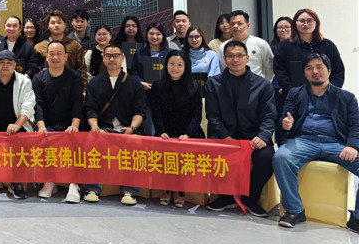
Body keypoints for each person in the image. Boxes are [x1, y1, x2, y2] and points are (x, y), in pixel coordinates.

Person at [272, 53, 359, 231]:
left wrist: (352, 146)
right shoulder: (296, 94)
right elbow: (284, 119)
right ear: (304, 73)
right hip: (304, 141)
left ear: (329, 70)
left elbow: (355, 124)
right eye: (309, 68)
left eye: (319, 67)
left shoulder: (346, 97)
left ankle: (356, 218)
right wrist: (286, 124)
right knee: (281, 157)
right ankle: (294, 210)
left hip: (335, 143)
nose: (315, 71)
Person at [205, 40, 276, 216]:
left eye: (239, 56)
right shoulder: (213, 83)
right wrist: (226, 136)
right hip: (224, 136)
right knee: (211, 153)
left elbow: (269, 116)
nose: (235, 60)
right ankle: (226, 197)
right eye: (230, 56)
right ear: (224, 59)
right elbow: (212, 115)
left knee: (267, 157)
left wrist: (263, 136)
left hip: (253, 137)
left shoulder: (263, 85)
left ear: (247, 58)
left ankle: (250, 198)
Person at [83, 43, 147, 206]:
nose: (112, 59)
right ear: (103, 59)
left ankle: (130, 191)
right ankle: (92, 189)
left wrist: (132, 128)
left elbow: (139, 111)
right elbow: (90, 109)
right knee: (92, 139)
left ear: (122, 58)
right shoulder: (95, 83)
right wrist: (94, 126)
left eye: (116, 56)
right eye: (108, 56)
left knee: (135, 143)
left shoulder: (133, 84)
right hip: (103, 129)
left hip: (127, 130)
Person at [0, 49, 36, 200]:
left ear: (15, 65)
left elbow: (28, 106)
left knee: (21, 143)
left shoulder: (24, 81)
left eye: (9, 63)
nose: (5, 65)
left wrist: (17, 124)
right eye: (2, 62)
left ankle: (16, 181)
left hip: (17, 126)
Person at [150, 50, 204, 208]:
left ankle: (180, 190)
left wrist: (187, 134)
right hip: (165, 132)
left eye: (180, 65)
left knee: (183, 152)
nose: (175, 68)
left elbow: (197, 116)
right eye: (172, 64)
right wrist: (161, 131)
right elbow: (156, 114)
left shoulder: (194, 86)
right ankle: (167, 189)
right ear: (166, 65)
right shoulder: (157, 86)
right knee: (165, 151)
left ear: (186, 67)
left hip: (189, 132)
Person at [32, 41, 84, 203]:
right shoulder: (38, 78)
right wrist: (41, 126)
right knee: (43, 139)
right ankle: (49, 181)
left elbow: (77, 102)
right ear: (47, 57)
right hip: (48, 122)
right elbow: (38, 104)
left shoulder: (75, 77)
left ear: (66, 56)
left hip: (70, 121)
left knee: (75, 139)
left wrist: (75, 125)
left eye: (59, 54)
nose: (55, 57)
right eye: (52, 54)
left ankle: (74, 184)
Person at [273, 9, 345, 120]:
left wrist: (329, 91)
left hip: (326, 98)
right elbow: (280, 71)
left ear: (316, 23)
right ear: (295, 23)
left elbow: (338, 71)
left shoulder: (328, 45)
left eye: (309, 21)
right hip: (295, 99)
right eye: (302, 21)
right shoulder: (284, 46)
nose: (305, 24)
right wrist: (293, 92)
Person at [216, 10, 274, 81]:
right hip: (232, 84)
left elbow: (270, 68)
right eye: (232, 24)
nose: (235, 26)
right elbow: (223, 68)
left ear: (248, 25)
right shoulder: (223, 46)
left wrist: (264, 85)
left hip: (257, 85)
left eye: (239, 23)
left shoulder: (260, 44)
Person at [34, 10, 87, 87]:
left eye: (59, 22)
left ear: (65, 25)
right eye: (53, 23)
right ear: (48, 26)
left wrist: (83, 89)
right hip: (46, 87)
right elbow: (35, 70)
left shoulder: (75, 46)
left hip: (70, 87)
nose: (56, 25)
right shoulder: (39, 47)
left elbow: (81, 70)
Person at [132, 22, 169, 88]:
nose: (154, 37)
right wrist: (140, 82)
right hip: (145, 90)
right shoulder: (139, 52)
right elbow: (134, 72)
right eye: (151, 34)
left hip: (165, 90)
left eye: (158, 34)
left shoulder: (170, 53)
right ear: (147, 35)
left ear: (163, 36)